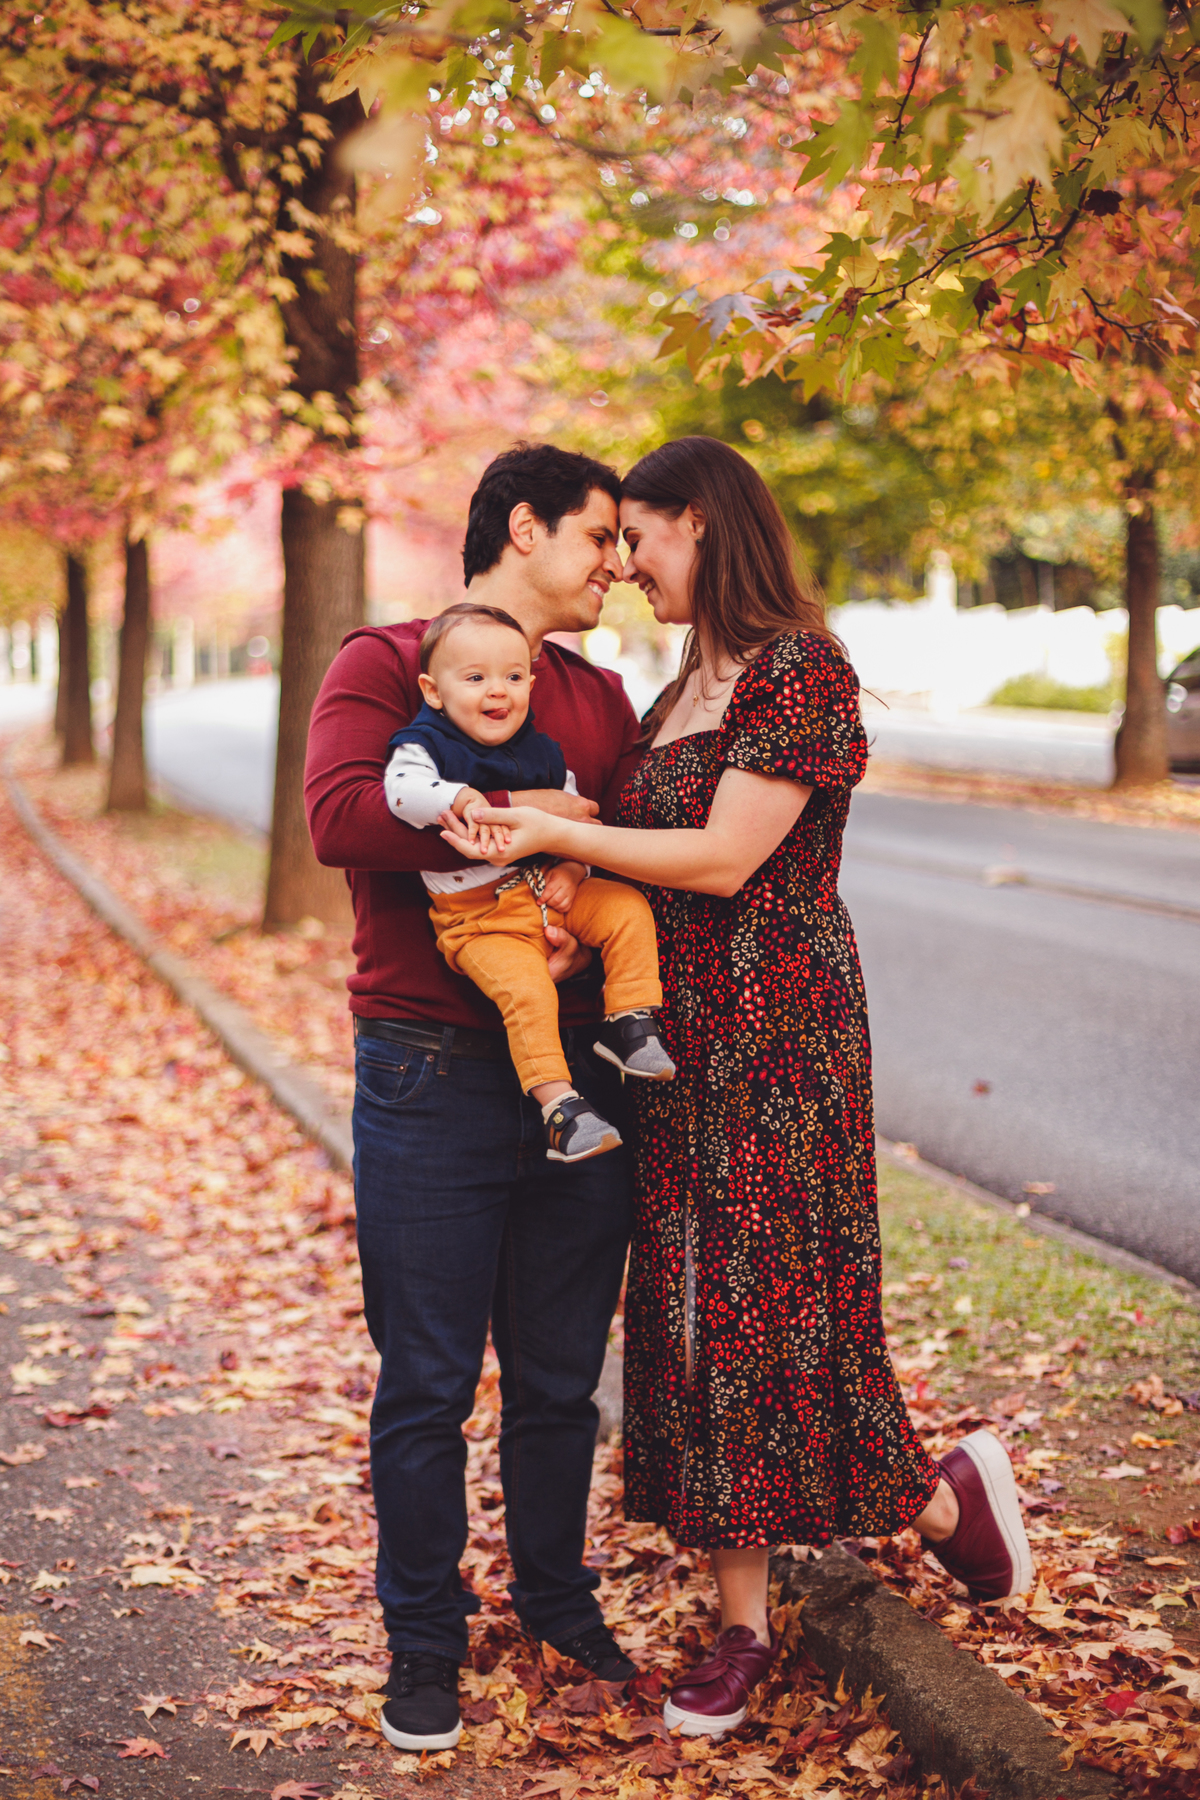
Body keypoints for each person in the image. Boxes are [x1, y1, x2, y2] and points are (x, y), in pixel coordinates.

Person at [452, 436, 1034, 1739]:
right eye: (606, 542)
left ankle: (933, 1507)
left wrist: (555, 828)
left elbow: (721, 860)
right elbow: (638, 871)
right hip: (674, 1046)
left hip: (779, 1038)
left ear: (702, 528)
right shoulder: (674, 696)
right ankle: (750, 1621)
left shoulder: (801, 670)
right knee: (688, 1316)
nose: (622, 563)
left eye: (637, 537)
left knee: (779, 1313)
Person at [305, 444, 646, 1755]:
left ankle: (559, 1611)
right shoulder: (386, 663)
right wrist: (535, 814)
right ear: (522, 527)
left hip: (581, 1073)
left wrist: (570, 854)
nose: (617, 564)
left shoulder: (601, 694)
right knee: (429, 1385)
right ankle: (424, 1649)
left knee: (561, 1382)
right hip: (432, 1071)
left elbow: (617, 844)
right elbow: (344, 817)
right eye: (600, 538)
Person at [382, 599, 675, 1163]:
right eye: (475, 678)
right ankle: (561, 1107)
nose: (499, 691)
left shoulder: (542, 753)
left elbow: (576, 825)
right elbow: (400, 795)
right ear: (434, 690)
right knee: (528, 989)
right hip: (480, 920)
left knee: (627, 910)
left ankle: (630, 1021)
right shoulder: (425, 748)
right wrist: (467, 798)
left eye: (514, 677)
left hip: (547, 890)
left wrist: (572, 868)